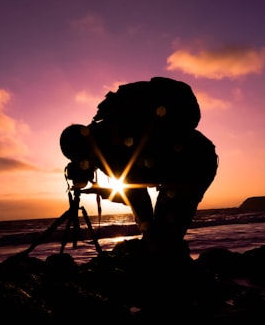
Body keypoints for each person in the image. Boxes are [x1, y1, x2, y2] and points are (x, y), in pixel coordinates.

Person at [60, 77, 218, 257]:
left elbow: (138, 198)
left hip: (194, 165)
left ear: (83, 151)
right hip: (191, 162)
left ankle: (178, 276)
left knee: (162, 241)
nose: (83, 166)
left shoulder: (111, 148)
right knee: (162, 239)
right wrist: (103, 192)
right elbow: (135, 189)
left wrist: (149, 234)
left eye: (78, 160)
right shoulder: (108, 134)